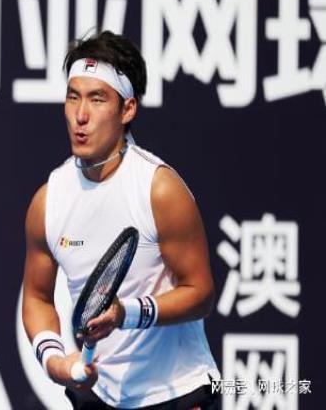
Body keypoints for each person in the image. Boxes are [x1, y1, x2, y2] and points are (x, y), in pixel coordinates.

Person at [22, 30, 220, 409]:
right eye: (73, 97)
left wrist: (125, 313)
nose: (81, 116)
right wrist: (56, 361)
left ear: (127, 109)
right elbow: (37, 297)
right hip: (99, 394)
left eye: (97, 99)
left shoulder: (160, 190)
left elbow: (201, 294)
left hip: (176, 393)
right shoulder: (48, 201)